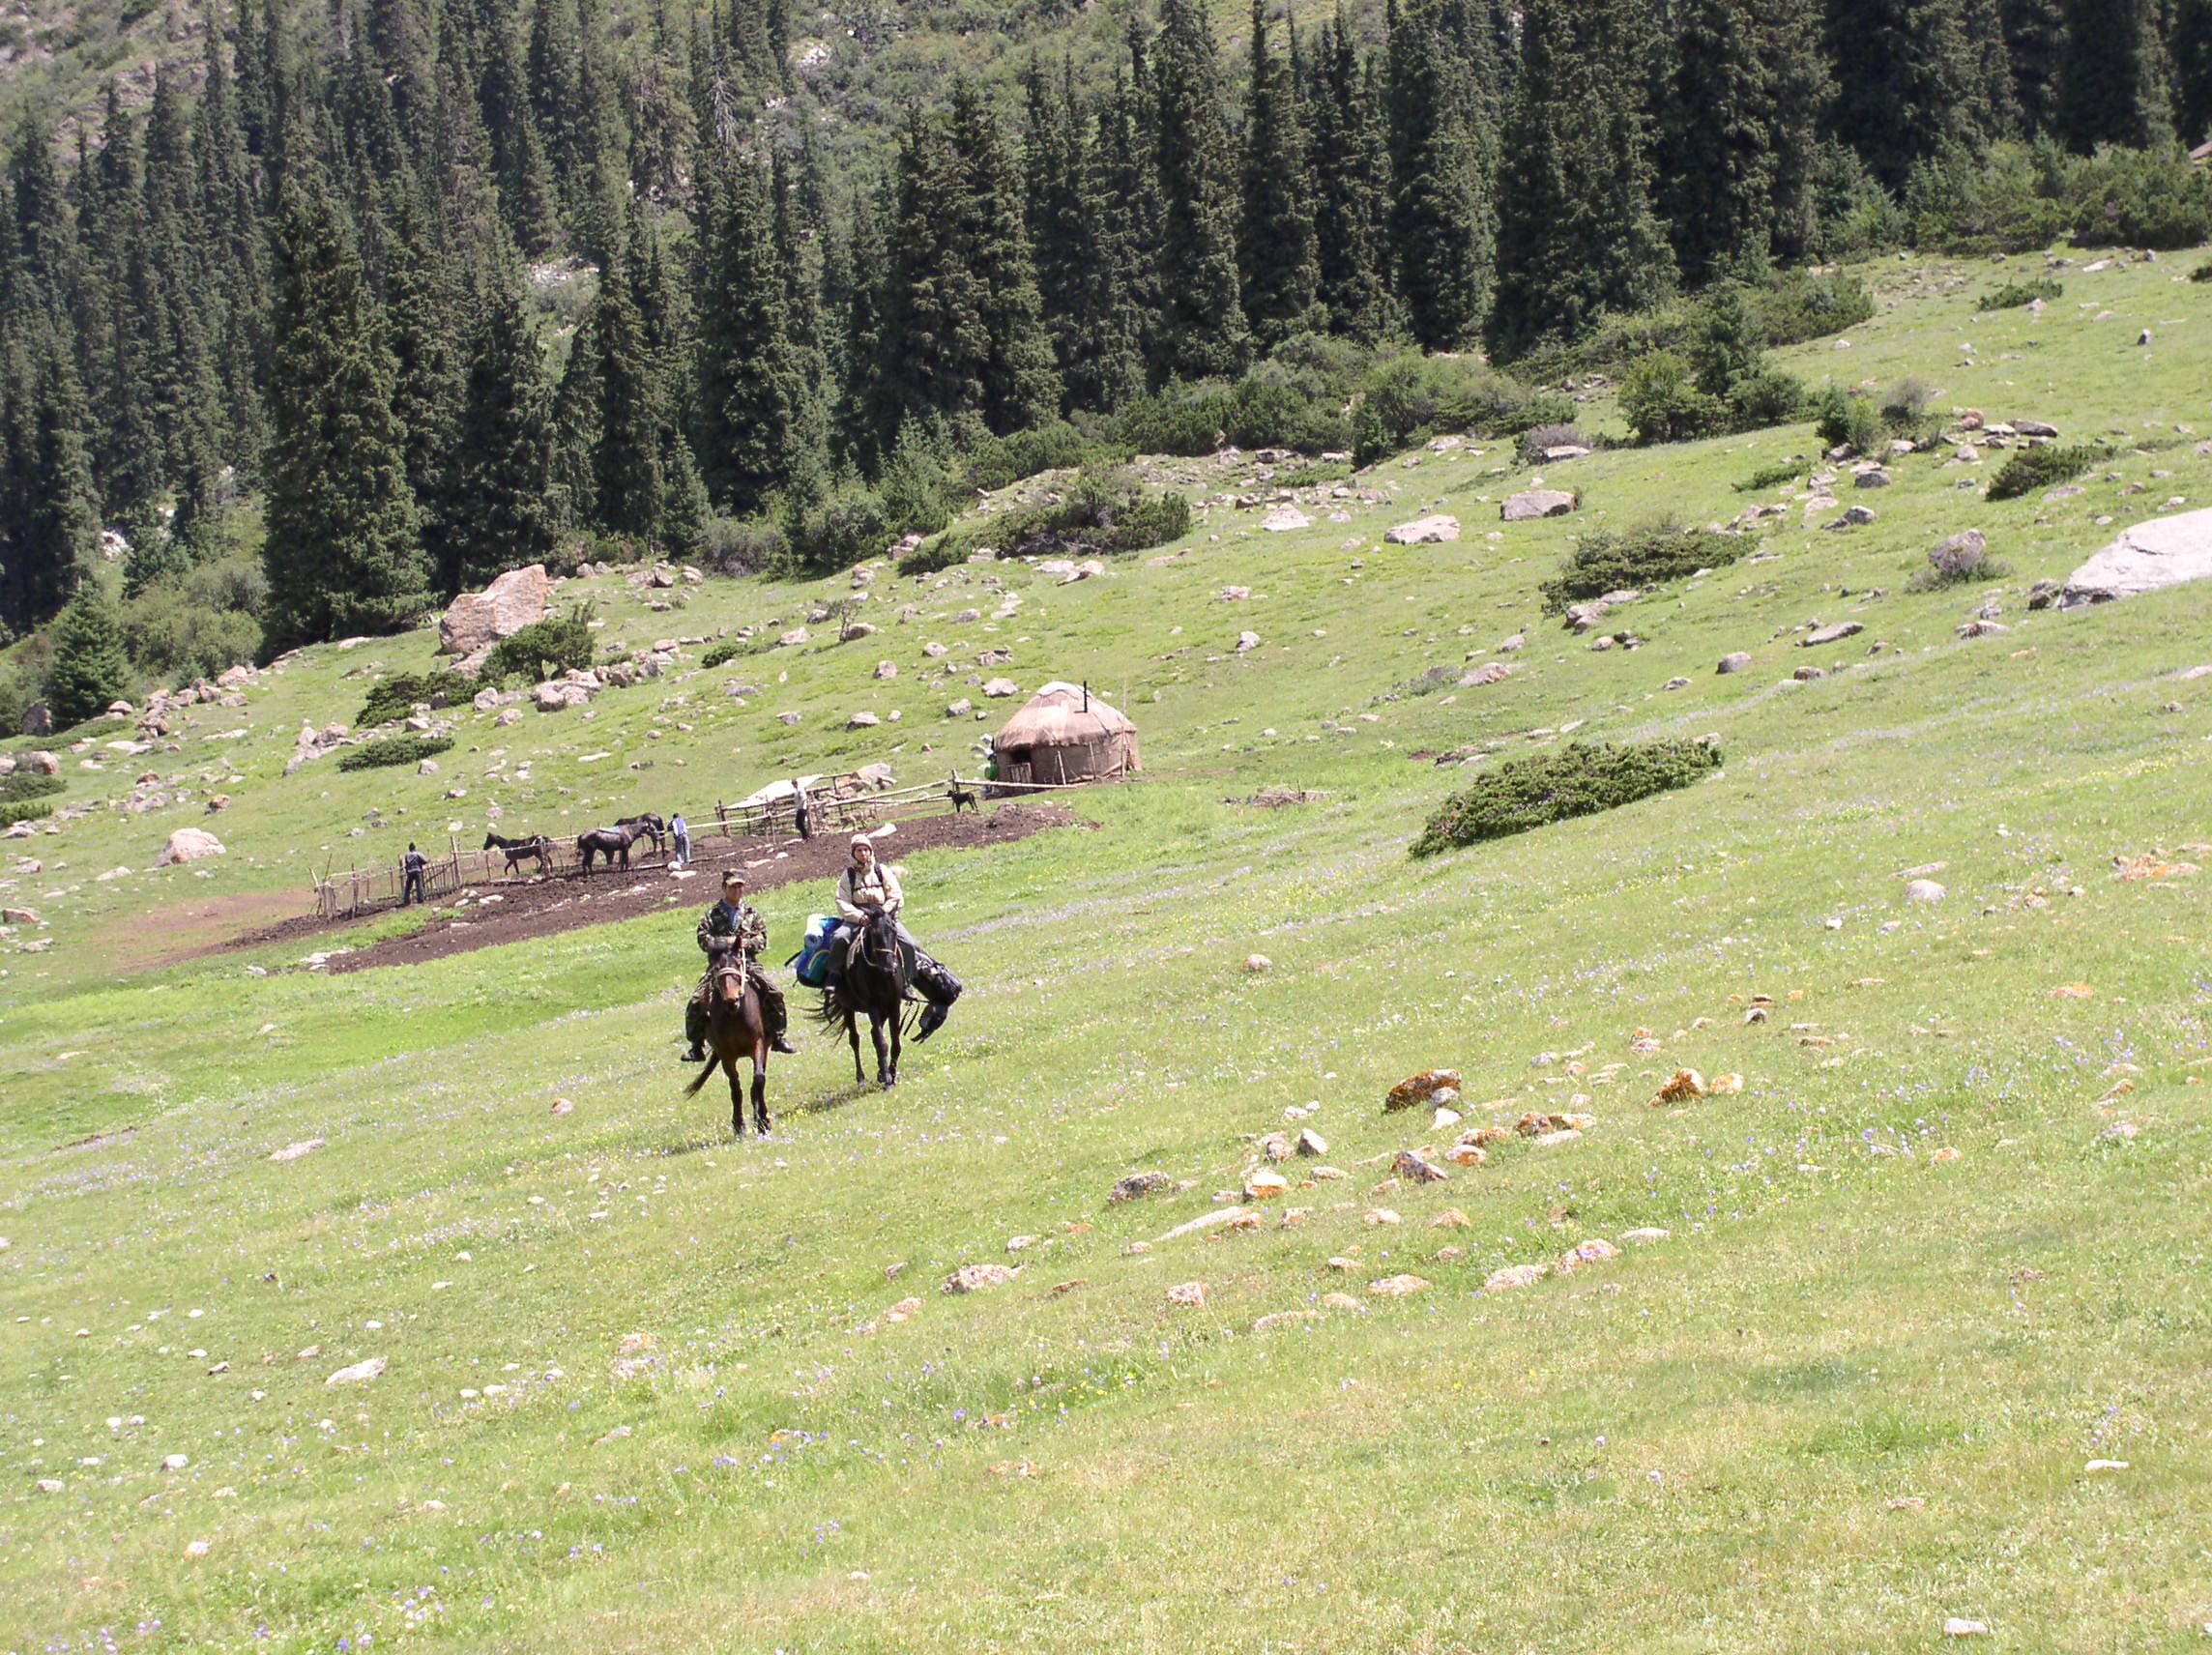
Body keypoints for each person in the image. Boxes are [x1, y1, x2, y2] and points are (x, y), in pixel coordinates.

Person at [831, 834, 963, 1040]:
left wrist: (883, 912)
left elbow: (896, 896)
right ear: (853, 853)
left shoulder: (882, 871)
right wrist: (860, 917)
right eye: (859, 850)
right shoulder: (847, 876)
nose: (863, 854)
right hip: (859, 919)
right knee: (839, 938)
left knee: (909, 944)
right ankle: (836, 978)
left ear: (871, 851)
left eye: (866, 850)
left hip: (884, 918)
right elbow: (842, 902)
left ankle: (907, 982)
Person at [684, 869, 796, 1061]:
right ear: (724, 888)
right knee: (696, 1000)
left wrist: (747, 943)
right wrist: (725, 943)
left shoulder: (752, 913)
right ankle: (696, 1045)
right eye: (732, 887)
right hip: (720, 966)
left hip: (747, 963)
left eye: (740, 887)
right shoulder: (712, 914)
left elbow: (762, 938)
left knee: (774, 992)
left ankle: (777, 1035)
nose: (737, 891)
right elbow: (702, 939)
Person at [401, 842, 427, 907]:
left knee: (408, 886)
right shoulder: (418, 854)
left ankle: (406, 900)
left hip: (410, 871)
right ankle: (420, 899)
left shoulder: (407, 855)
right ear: (415, 848)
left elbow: (407, 863)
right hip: (417, 870)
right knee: (419, 885)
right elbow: (424, 861)